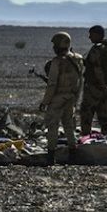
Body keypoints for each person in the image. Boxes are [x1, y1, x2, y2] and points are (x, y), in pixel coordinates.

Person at [39, 32, 84, 165]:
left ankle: (51, 157)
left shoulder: (57, 62)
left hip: (58, 98)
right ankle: (73, 155)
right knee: (69, 126)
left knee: (52, 126)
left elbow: (52, 84)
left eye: (55, 44)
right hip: (71, 97)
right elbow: (80, 81)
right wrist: (76, 98)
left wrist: (45, 102)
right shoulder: (78, 59)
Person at [80, 25, 107, 136]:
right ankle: (106, 138)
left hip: (95, 87)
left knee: (86, 113)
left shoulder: (97, 49)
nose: (89, 37)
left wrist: (102, 85)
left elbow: (97, 68)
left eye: (91, 34)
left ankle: (85, 140)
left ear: (98, 35)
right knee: (104, 115)